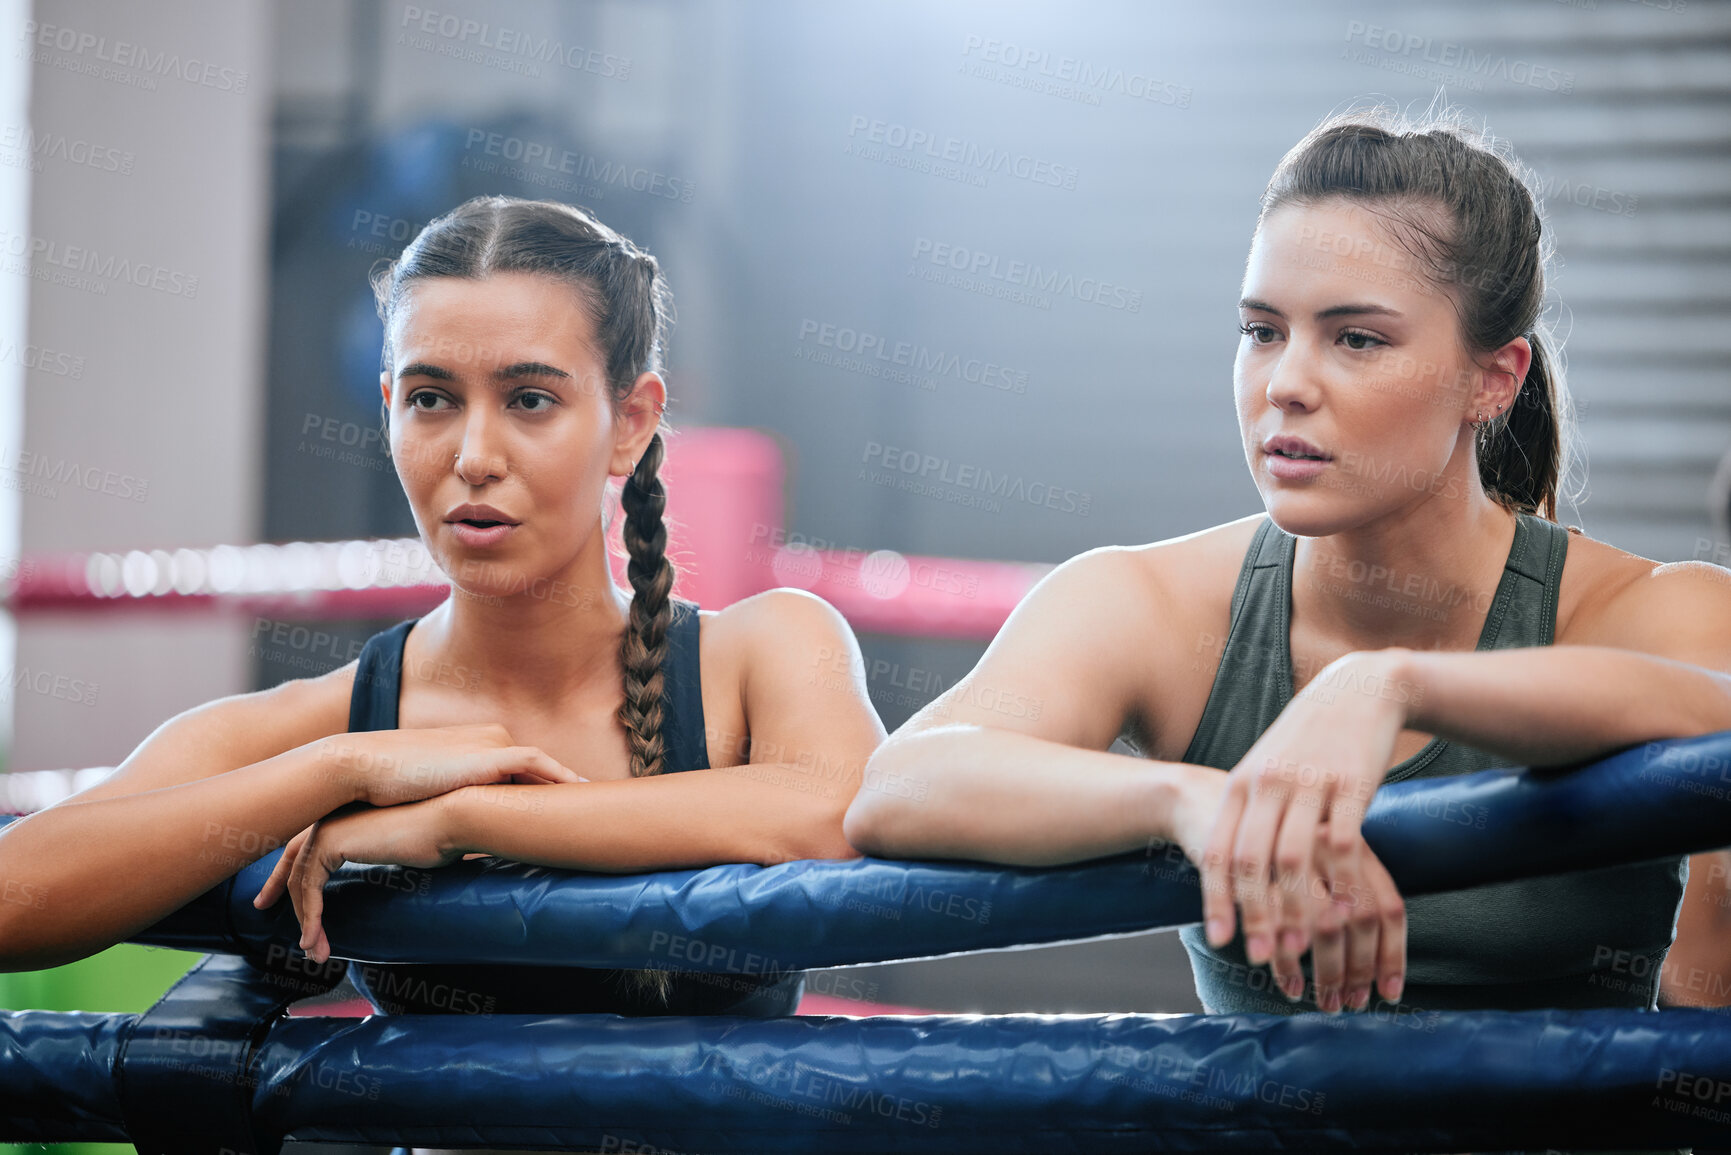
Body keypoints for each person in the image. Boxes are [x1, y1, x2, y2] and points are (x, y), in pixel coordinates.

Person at [844, 108, 1731, 1028]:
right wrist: (1194, 799)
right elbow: (901, 784)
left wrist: (1389, 686)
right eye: (1262, 329)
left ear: (1492, 378)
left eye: (1356, 339)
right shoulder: (1148, 601)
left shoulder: (1650, 608)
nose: (1284, 384)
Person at [0, 197, 884, 1029]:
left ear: (631, 421)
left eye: (530, 399)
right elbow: (12, 898)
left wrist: (461, 820)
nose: (472, 455)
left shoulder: (764, 652)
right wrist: (339, 769)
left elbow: (841, 811)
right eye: (431, 398)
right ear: (388, 411)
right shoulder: (336, 721)